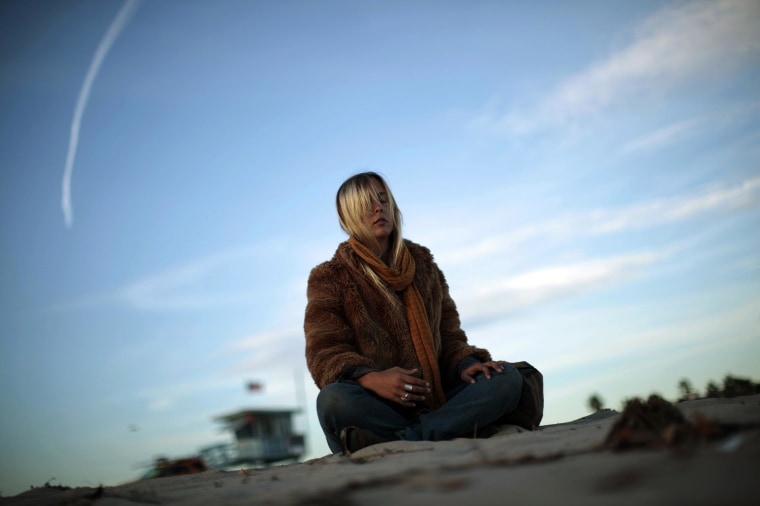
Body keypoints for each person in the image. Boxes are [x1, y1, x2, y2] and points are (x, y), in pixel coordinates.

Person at [304, 172, 524, 455]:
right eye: (366, 203)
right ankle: (440, 431)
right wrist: (373, 379)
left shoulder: (424, 265)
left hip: (439, 401)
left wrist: (465, 363)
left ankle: (408, 439)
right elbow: (324, 354)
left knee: (508, 378)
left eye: (383, 200)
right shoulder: (330, 277)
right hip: (377, 406)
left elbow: (450, 337)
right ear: (348, 218)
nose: (377, 208)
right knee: (333, 400)